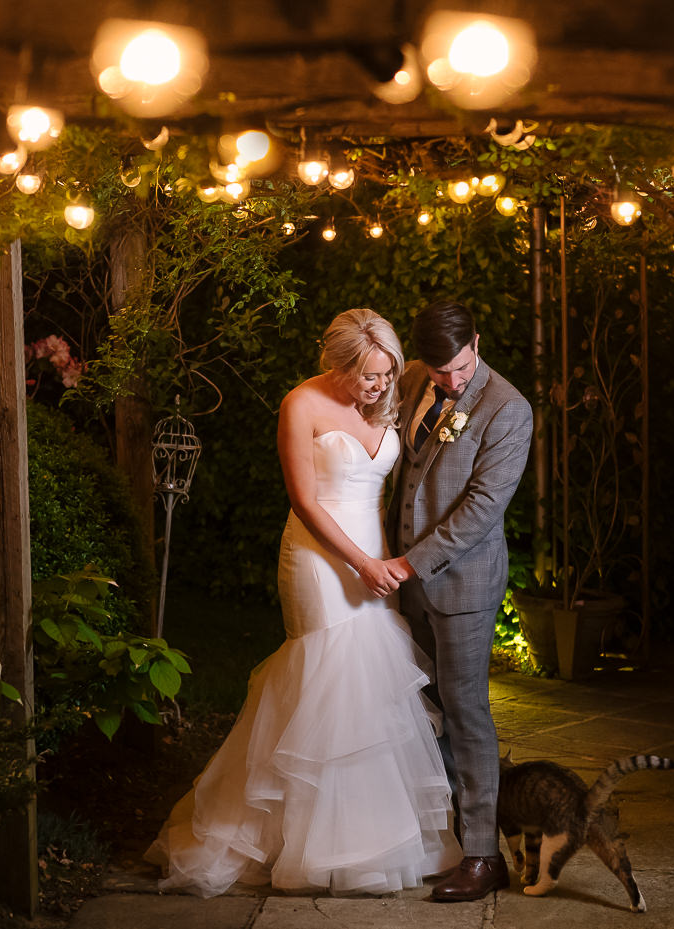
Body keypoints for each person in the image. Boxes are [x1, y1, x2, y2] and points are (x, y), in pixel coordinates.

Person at [146, 308, 461, 897]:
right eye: (368, 375)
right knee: (325, 679)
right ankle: (296, 841)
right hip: (320, 557)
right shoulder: (301, 404)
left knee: (372, 686)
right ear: (338, 364)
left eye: (387, 374)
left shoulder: (387, 398)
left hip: (376, 554)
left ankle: (373, 840)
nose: (380, 386)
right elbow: (306, 502)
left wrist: (383, 561)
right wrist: (360, 564)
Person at [383, 299, 533, 903]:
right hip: (399, 575)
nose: (451, 382)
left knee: (466, 709)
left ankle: (482, 855)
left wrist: (407, 563)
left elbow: (478, 511)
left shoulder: (508, 409)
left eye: (461, 368)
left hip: (462, 581)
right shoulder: (415, 377)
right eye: (441, 372)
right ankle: (439, 834)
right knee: (421, 704)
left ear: (477, 341)